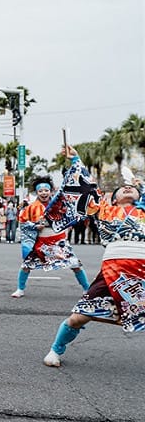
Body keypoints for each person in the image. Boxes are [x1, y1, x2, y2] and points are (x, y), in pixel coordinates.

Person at [42, 145, 145, 366]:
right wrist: (75, 160)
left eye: (131, 188)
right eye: (122, 188)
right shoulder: (104, 210)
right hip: (113, 271)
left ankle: (123, 314)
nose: (127, 188)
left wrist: (140, 184)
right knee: (79, 316)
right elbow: (87, 187)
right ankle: (55, 350)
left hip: (142, 271)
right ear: (113, 198)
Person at [10, 176, 90, 298]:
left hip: (58, 240)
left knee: (75, 265)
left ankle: (87, 289)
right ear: (36, 193)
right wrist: (34, 226)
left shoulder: (59, 204)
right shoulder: (32, 206)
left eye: (46, 190)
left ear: (51, 191)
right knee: (26, 265)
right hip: (40, 242)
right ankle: (20, 289)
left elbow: (70, 214)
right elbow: (22, 222)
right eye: (40, 191)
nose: (43, 193)